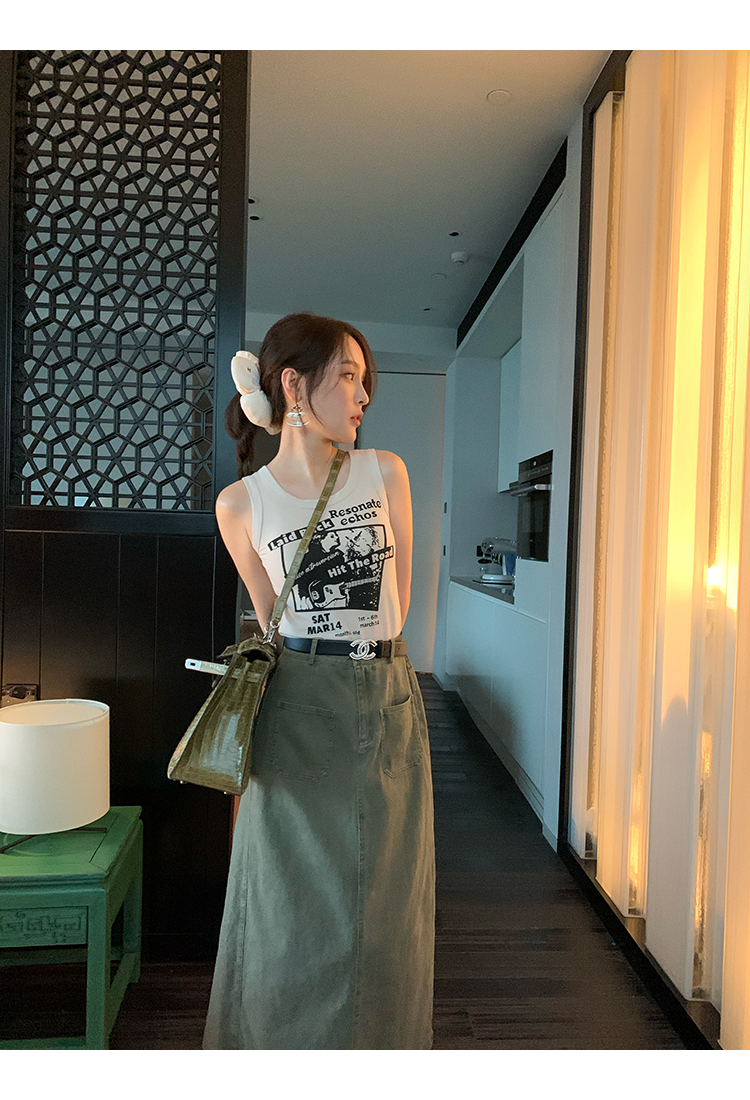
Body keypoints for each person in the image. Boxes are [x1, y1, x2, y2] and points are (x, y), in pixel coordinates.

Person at [201, 312, 436, 1050]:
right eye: (349, 378)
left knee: (387, 907)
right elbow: (271, 620)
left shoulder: (385, 472)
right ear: (295, 385)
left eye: (366, 382)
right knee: (289, 903)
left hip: (385, 699)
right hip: (297, 708)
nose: (364, 396)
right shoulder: (240, 505)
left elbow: (401, 604)